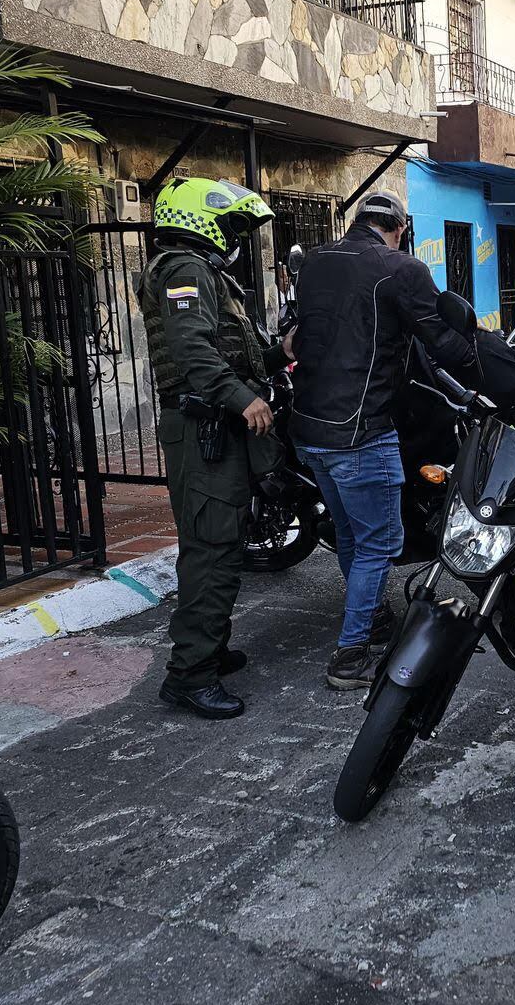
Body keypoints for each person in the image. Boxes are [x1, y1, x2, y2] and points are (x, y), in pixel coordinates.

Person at [290, 191, 475, 690]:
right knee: (377, 545)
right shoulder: (400, 267)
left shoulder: (315, 261)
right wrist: (480, 358)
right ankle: (350, 656)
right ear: (398, 228)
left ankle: (372, 622)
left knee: (352, 536)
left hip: (308, 429)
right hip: (360, 432)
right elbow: (441, 339)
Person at [138, 177, 290, 720]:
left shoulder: (202, 271)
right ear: (201, 220)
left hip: (213, 428)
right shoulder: (185, 269)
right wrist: (243, 398)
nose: (236, 236)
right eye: (231, 225)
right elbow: (191, 350)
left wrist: (280, 354)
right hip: (201, 430)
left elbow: (231, 354)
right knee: (210, 549)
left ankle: (209, 650)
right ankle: (190, 676)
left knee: (222, 543)